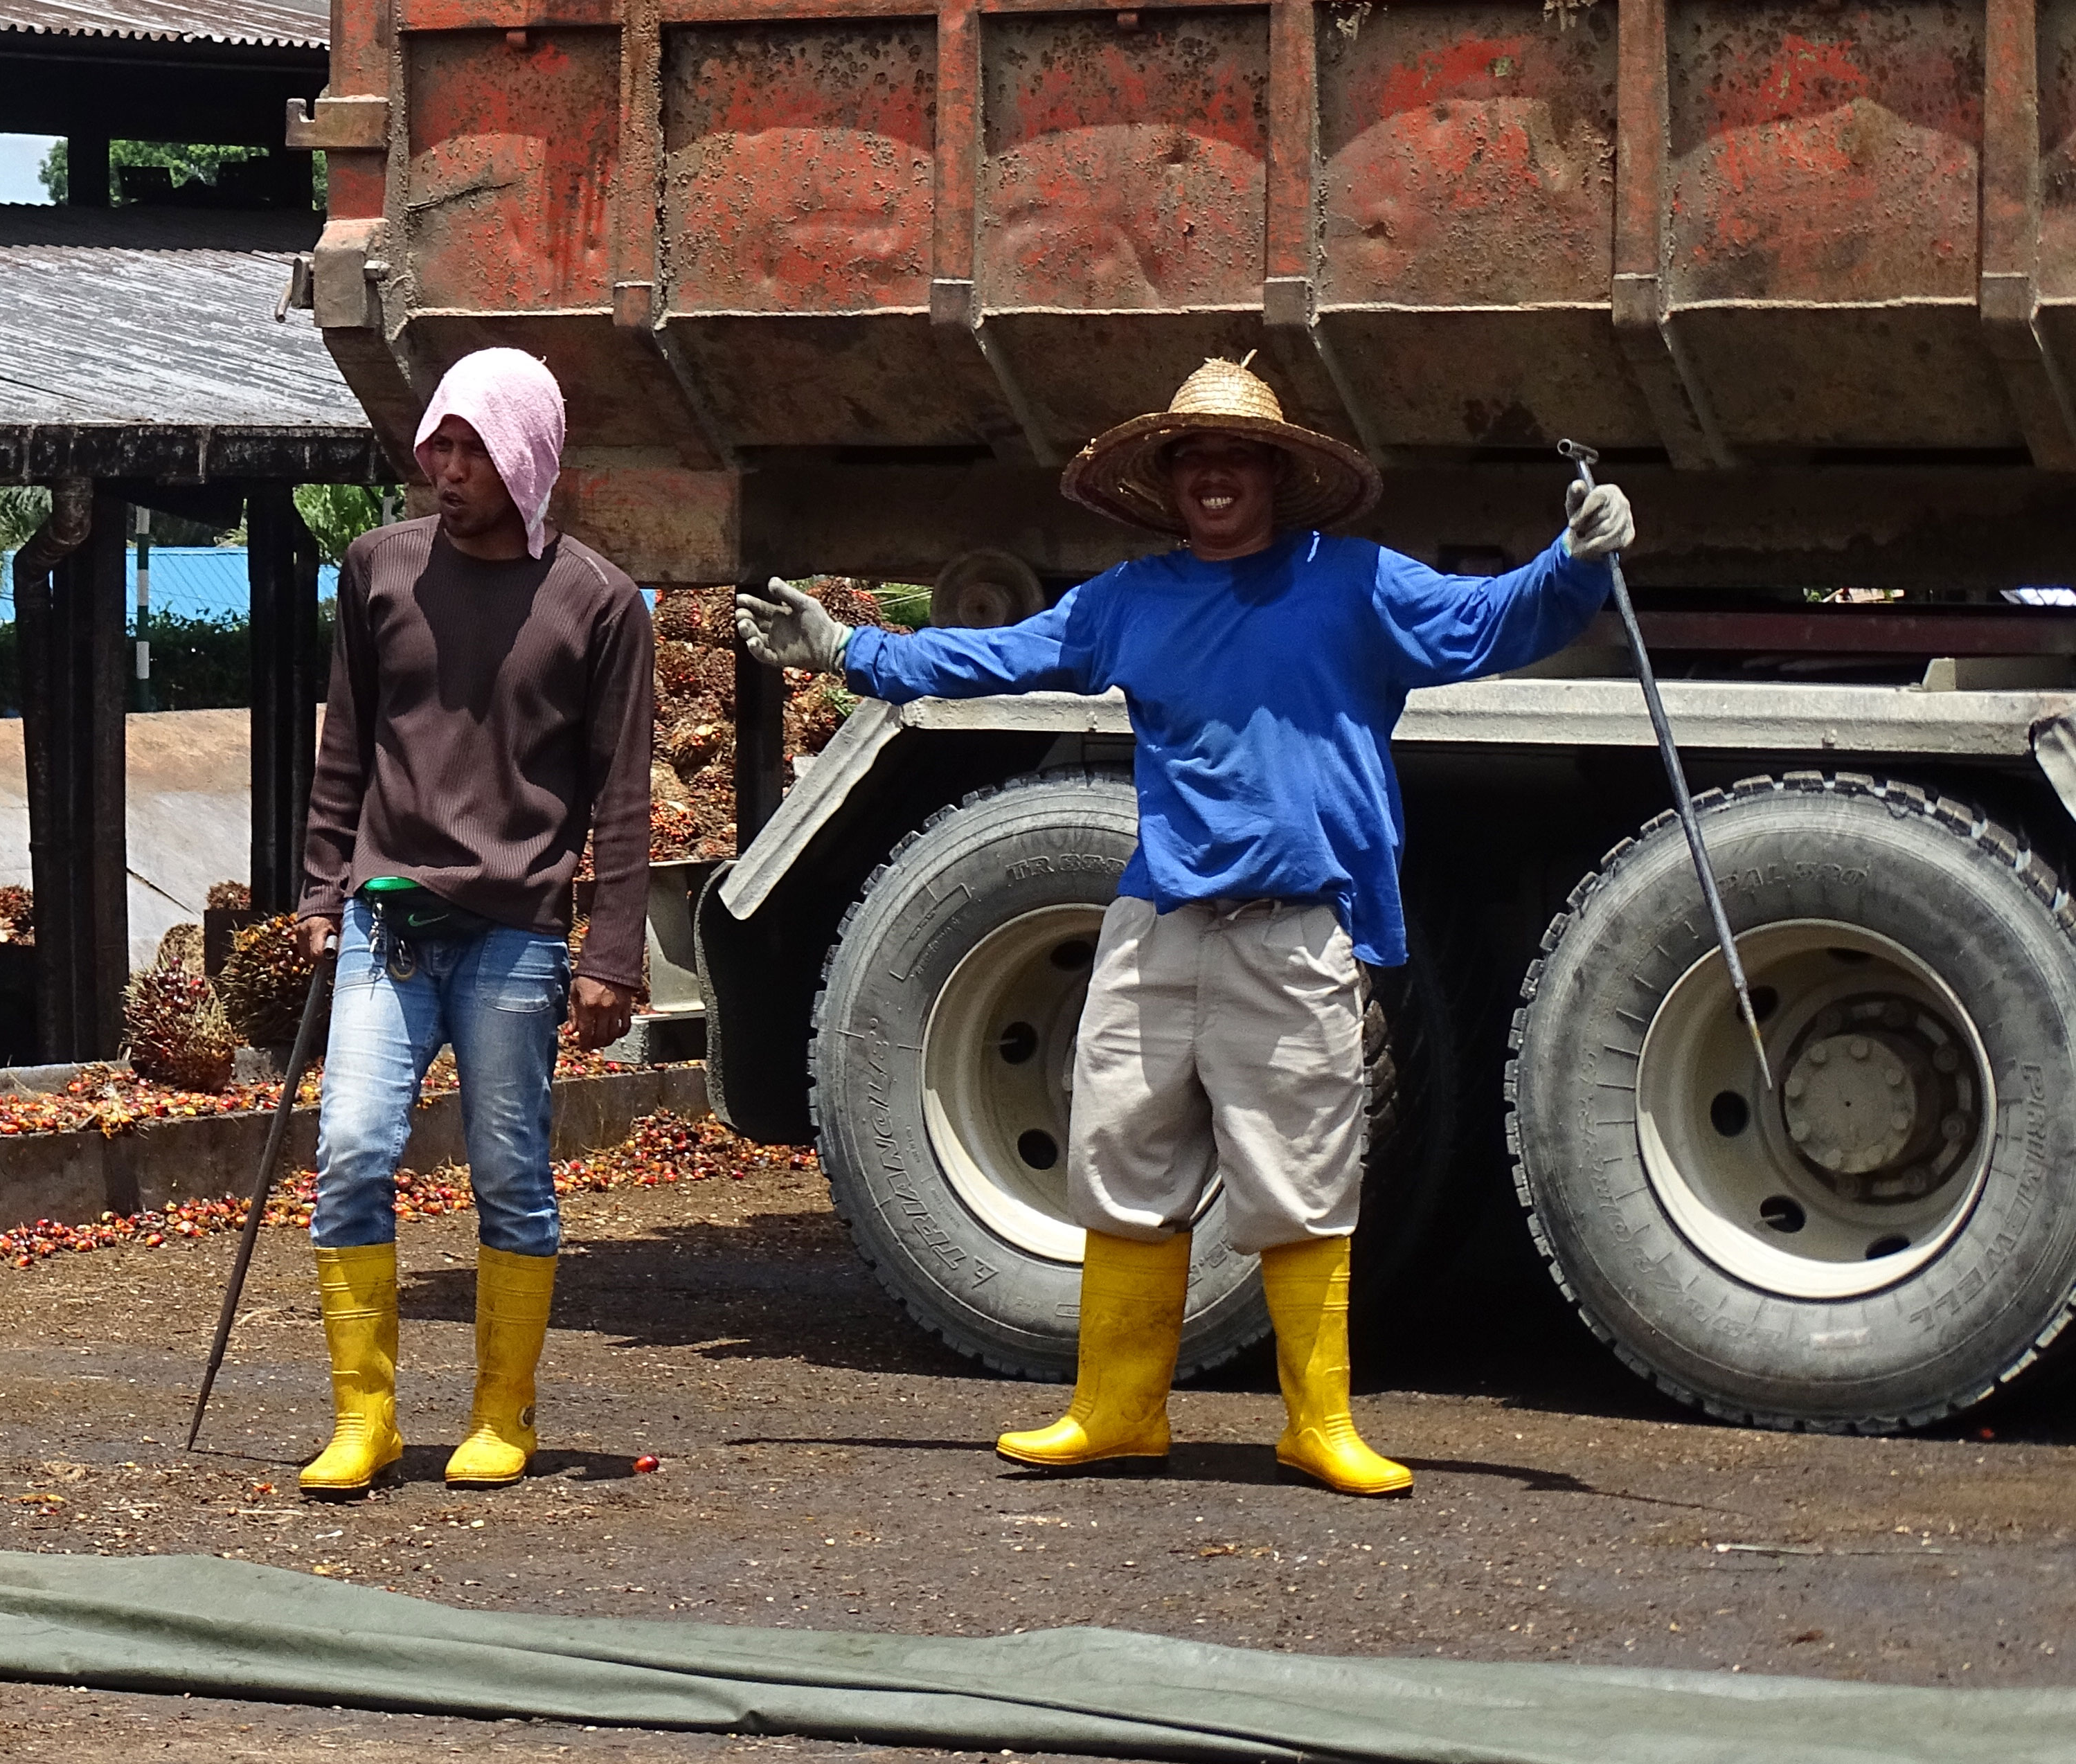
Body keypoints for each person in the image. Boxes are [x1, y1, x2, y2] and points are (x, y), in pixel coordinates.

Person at [736, 357, 1634, 1497]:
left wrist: (1575, 561)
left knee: (1299, 1174)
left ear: (1274, 472)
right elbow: (995, 654)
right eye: (1191, 459)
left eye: (1233, 457)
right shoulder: (1127, 600)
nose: (1212, 476)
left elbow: (1489, 622)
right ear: (1166, 481)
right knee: (1116, 1154)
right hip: (1154, 926)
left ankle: (1318, 1423)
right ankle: (1115, 1411)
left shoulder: (1352, 584)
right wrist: (849, 649)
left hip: (1292, 931)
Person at [291, 347, 654, 1496]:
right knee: (350, 1147)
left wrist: (607, 952)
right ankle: (365, 1419)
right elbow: (344, 742)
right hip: (385, 922)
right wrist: (317, 891)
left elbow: (622, 791)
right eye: (438, 445)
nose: (447, 469)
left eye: (473, 449)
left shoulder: (595, 600)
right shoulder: (376, 570)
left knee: (509, 1171)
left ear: (527, 458)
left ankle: (501, 1412)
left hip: (516, 933)